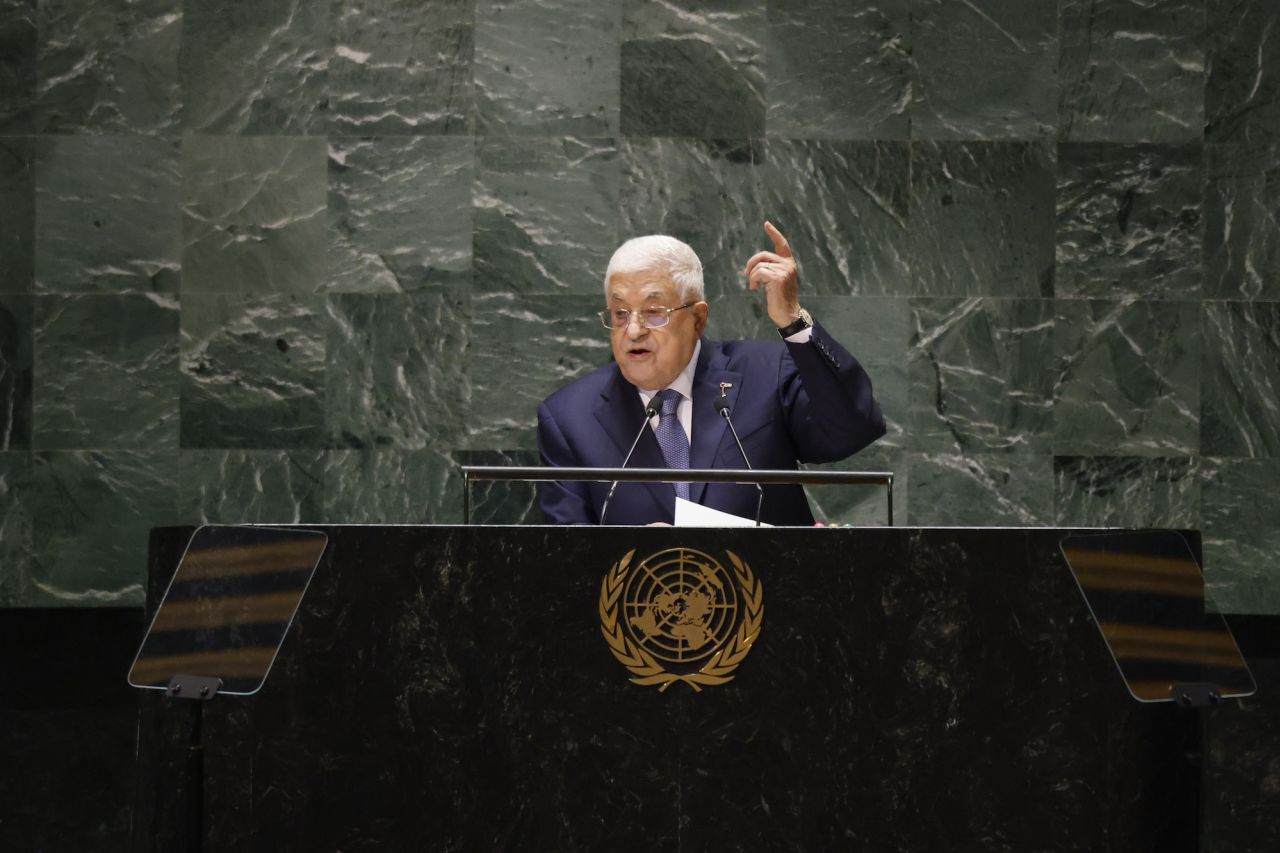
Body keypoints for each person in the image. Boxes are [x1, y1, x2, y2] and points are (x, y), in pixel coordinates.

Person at [536, 222, 885, 525]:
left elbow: (853, 430)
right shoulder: (569, 419)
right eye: (620, 314)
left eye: (654, 312)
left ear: (698, 319)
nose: (634, 331)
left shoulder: (764, 375)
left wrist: (793, 319)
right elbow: (567, 558)